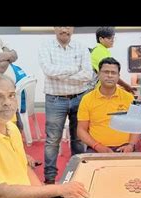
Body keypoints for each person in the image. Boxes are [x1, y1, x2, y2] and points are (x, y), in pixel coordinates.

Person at [38, 27, 93, 184]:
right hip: (55, 99)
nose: (65, 29)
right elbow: (49, 71)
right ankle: (49, 179)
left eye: (68, 26)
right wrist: (75, 70)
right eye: (61, 26)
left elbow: (88, 74)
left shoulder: (81, 46)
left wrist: (60, 75)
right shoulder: (45, 46)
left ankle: (78, 174)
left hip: (79, 97)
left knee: (78, 138)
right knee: (52, 140)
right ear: (55, 28)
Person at [77, 57, 140, 153]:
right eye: (106, 72)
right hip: (96, 148)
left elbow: (136, 126)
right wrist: (98, 146)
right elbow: (81, 130)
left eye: (113, 73)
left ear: (118, 76)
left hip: (125, 148)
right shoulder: (87, 99)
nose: (110, 75)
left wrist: (130, 145)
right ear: (98, 74)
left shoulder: (129, 98)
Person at [90, 27, 133, 93]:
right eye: (109, 38)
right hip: (99, 89)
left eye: (113, 38)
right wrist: (126, 86)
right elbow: (110, 73)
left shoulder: (102, 50)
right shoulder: (99, 51)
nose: (112, 40)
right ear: (101, 39)